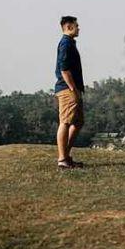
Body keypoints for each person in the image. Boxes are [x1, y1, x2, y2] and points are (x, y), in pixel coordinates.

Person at [54, 15, 85, 169]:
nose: (78, 28)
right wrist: (73, 89)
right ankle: (62, 159)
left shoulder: (70, 43)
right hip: (67, 89)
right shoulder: (65, 43)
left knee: (78, 122)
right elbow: (64, 69)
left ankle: (65, 155)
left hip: (73, 89)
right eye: (76, 25)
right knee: (65, 122)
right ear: (68, 26)